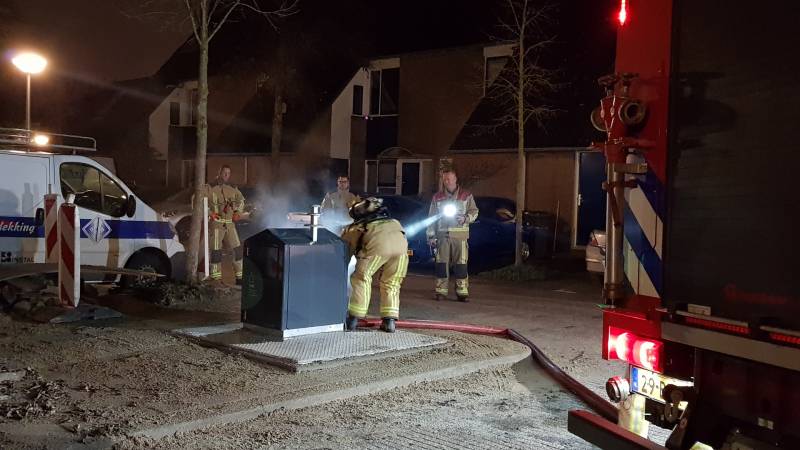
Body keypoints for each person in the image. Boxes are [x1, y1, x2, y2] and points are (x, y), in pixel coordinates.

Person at [341, 197, 409, 333]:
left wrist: (341, 268)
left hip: (378, 249)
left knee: (361, 277)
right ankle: (389, 322)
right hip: (402, 252)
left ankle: (353, 319)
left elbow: (345, 250)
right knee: (392, 283)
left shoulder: (357, 227)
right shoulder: (394, 222)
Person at [426, 168, 479, 302]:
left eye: (449, 179)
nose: (447, 181)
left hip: (460, 237)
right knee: (441, 264)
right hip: (443, 236)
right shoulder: (437, 197)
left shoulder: (466, 195)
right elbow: (431, 218)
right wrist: (431, 237)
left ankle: (462, 292)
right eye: (444, 179)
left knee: (461, 265)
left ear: (456, 179)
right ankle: (440, 291)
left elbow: (474, 211)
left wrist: (466, 218)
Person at [207, 165, 246, 285]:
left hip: (230, 225)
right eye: (224, 172)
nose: (226, 175)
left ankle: (240, 278)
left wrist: (238, 213)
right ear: (219, 172)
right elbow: (196, 200)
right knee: (216, 252)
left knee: (237, 251)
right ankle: (216, 279)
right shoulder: (209, 187)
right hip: (217, 225)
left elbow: (241, 201)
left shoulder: (233, 188)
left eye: (228, 173)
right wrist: (210, 214)